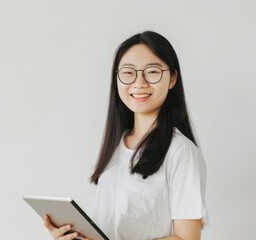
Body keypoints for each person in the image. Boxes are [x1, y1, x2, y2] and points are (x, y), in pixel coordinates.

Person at [43, 31, 208, 240]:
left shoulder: (181, 152)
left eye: (152, 72)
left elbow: (187, 239)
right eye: (128, 73)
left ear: (172, 78)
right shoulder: (115, 146)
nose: (139, 83)